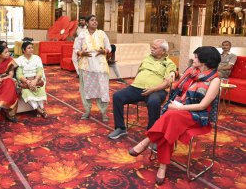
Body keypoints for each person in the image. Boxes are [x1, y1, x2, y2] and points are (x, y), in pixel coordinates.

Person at [128, 46, 221, 185]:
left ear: (205, 61)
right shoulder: (191, 72)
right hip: (178, 110)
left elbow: (202, 106)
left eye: (196, 57)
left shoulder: (214, 80)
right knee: (170, 122)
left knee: (171, 116)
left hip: (196, 115)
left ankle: (147, 141)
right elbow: (178, 87)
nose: (193, 59)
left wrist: (180, 108)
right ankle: (162, 166)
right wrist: (172, 76)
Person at [108, 39, 177, 139]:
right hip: (137, 88)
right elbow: (139, 72)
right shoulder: (147, 58)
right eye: (151, 47)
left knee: (153, 102)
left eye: (154, 48)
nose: (151, 49)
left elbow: (168, 83)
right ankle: (120, 128)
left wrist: (152, 89)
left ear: (163, 51)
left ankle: (152, 134)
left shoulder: (169, 64)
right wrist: (136, 82)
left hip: (156, 91)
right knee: (117, 96)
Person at [74, 14, 111, 122]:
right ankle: (87, 110)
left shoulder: (102, 34)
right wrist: (81, 53)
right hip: (86, 66)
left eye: (96, 20)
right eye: (92, 20)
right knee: (86, 90)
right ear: (87, 22)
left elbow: (108, 47)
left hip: (100, 66)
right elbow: (76, 49)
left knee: (102, 89)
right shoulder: (81, 35)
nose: (95, 22)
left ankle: (104, 112)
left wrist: (104, 51)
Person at [16, 41, 48, 118]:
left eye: (32, 47)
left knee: (40, 90)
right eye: (29, 48)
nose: (31, 49)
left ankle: (41, 109)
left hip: (36, 80)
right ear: (24, 50)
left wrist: (35, 80)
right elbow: (19, 74)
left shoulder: (37, 58)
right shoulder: (20, 59)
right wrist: (28, 82)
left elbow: (40, 71)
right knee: (27, 92)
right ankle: (41, 111)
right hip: (25, 81)